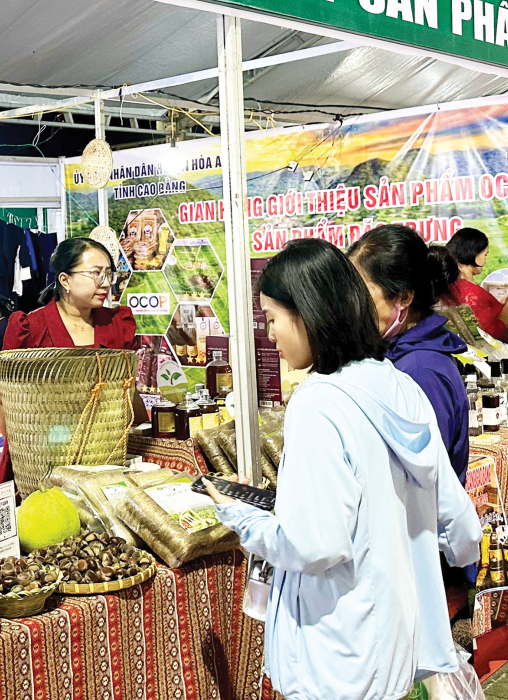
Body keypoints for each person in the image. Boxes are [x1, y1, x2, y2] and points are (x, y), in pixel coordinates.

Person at [202, 239, 480, 700]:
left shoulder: (319, 402)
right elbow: (457, 518)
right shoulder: (401, 385)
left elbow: (313, 545)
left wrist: (242, 516)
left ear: (308, 312)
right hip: (395, 639)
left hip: (336, 651)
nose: (270, 335)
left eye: (272, 319)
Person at [0, 238, 139, 484]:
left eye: (109, 274)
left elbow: (129, 395)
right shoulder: (31, 328)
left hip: (103, 461)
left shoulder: (116, 324)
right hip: (43, 466)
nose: (105, 283)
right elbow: (3, 402)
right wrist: (28, 455)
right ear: (65, 280)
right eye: (95, 273)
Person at [348, 226, 471, 484]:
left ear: (403, 298)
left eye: (363, 295)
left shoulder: (419, 370)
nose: (353, 306)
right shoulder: (399, 355)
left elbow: (420, 478)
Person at [444, 227, 508, 344]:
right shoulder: (470, 292)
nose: (485, 260)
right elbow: (490, 336)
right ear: (474, 254)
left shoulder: (454, 287)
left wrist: (501, 305)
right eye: (485, 255)